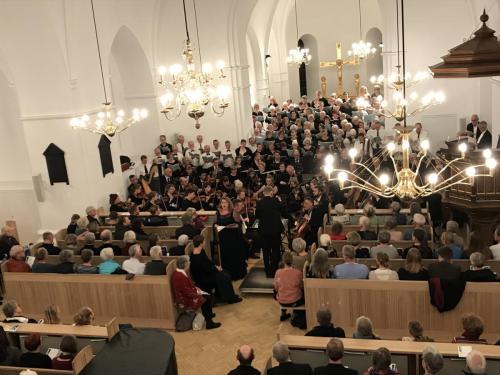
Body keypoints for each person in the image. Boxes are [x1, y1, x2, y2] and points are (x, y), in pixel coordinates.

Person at [171, 256, 221, 330]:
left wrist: (197, 289)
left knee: (207, 294)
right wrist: (198, 293)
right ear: (185, 264)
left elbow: (188, 287)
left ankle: (209, 315)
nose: (189, 263)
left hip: (189, 294)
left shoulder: (179, 273)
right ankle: (209, 322)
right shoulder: (179, 276)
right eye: (188, 262)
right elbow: (186, 292)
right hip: (186, 300)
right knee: (206, 299)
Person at [189, 235, 242, 304]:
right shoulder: (196, 256)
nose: (205, 242)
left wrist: (216, 266)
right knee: (224, 277)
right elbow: (205, 269)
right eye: (204, 241)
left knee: (225, 272)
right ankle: (230, 298)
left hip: (207, 272)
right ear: (201, 243)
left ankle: (225, 295)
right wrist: (216, 269)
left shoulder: (201, 250)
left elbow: (208, 262)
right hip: (203, 277)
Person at [215, 197, 248, 280]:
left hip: (234, 238)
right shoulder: (218, 212)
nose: (224, 204)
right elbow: (215, 223)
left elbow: (237, 224)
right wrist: (215, 226)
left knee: (234, 256)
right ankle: (227, 275)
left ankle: (236, 275)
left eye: (225, 202)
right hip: (223, 238)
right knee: (225, 256)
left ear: (229, 203)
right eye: (222, 202)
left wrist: (227, 227)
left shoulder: (233, 212)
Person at [255, 186, 284, 278]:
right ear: (271, 193)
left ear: (263, 193)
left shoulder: (259, 203)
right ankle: (274, 269)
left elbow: (257, 216)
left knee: (266, 251)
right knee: (275, 250)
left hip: (263, 231)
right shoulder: (275, 201)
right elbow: (283, 211)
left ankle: (268, 271)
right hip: (275, 230)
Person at [274, 251, 304, 324]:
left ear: (283, 261)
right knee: (302, 293)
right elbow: (301, 287)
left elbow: (276, 288)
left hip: (281, 301)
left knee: (281, 290)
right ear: (292, 260)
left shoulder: (278, 272)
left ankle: (283, 313)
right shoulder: (298, 273)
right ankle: (296, 314)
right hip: (295, 301)